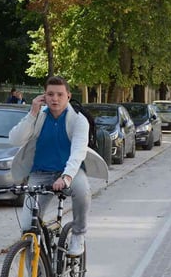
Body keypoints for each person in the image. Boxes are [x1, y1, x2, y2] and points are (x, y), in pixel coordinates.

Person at [8, 76, 108, 256]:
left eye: (60, 94)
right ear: (44, 96)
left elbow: (78, 152)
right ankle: (37, 274)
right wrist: (32, 113)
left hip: (70, 172)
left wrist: (67, 176)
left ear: (68, 96)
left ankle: (78, 234)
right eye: (50, 94)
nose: (55, 98)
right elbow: (15, 139)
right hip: (40, 173)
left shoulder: (78, 120)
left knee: (82, 191)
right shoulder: (38, 116)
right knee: (28, 229)